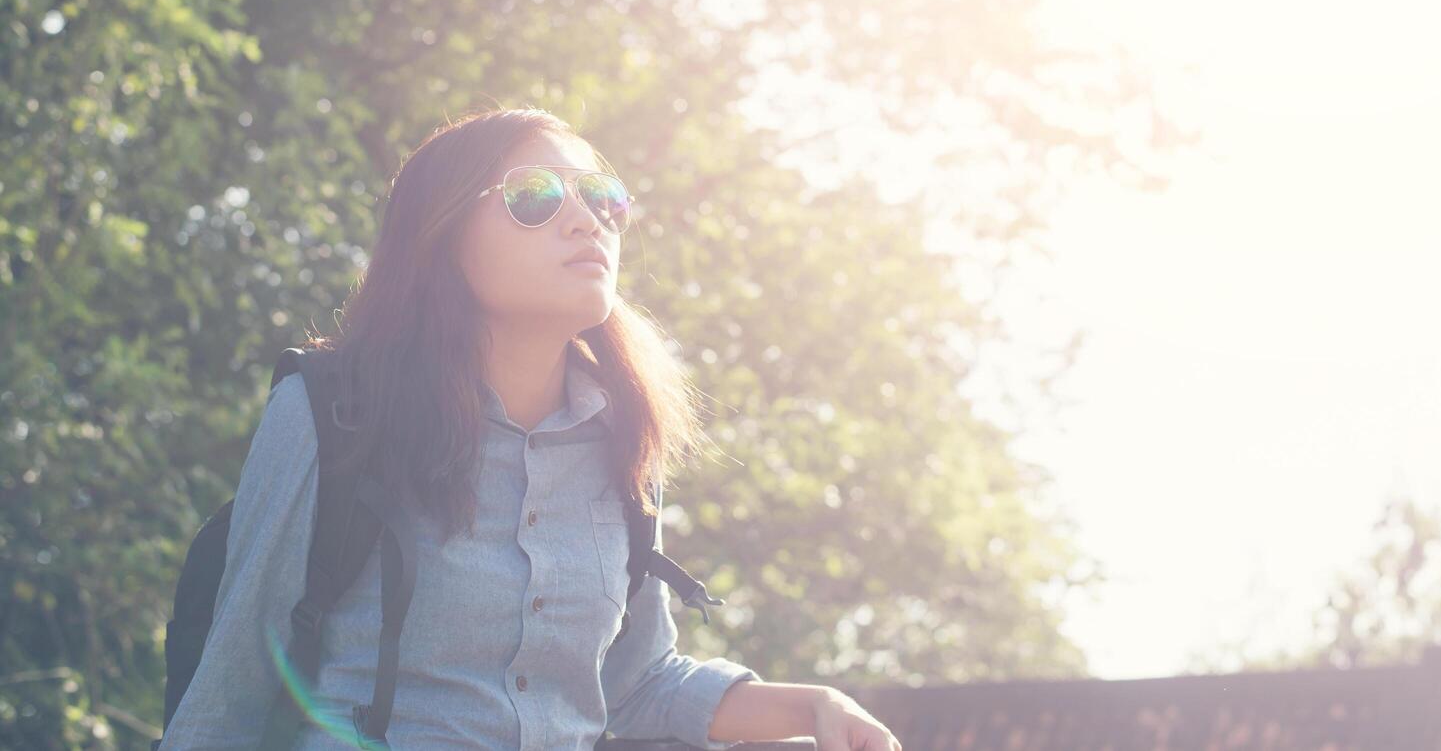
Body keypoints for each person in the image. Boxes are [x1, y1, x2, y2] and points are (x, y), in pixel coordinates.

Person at [160, 108, 900, 750]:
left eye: (601, 198)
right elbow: (231, 692)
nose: (586, 220)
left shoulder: (624, 443)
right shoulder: (334, 412)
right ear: (441, 233)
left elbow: (636, 681)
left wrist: (813, 707)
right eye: (535, 197)